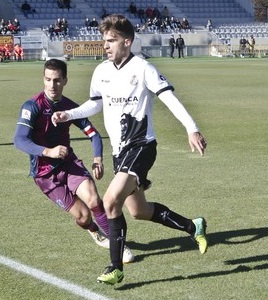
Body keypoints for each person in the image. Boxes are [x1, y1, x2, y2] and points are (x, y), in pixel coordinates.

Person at [51, 14, 208, 285]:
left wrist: (191, 128)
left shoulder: (143, 68)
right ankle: (193, 226)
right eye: (104, 41)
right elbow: (95, 104)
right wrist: (70, 114)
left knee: (110, 201)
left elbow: (169, 98)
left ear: (127, 41)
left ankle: (115, 268)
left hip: (142, 146)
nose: (106, 45)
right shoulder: (101, 71)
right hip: (119, 151)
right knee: (138, 210)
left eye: (111, 40)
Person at [13, 59, 134, 263]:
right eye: (48, 79)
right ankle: (95, 232)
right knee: (84, 217)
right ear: (43, 79)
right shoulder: (32, 106)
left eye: (57, 80)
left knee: (95, 200)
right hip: (45, 175)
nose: (52, 85)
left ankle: (118, 245)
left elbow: (94, 134)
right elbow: (19, 140)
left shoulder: (70, 107)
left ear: (65, 80)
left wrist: (97, 159)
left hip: (69, 165)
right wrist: (48, 151)